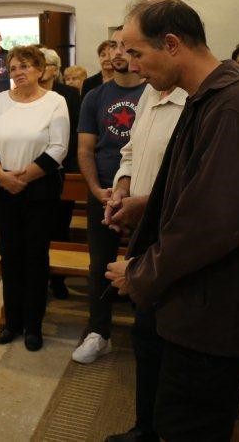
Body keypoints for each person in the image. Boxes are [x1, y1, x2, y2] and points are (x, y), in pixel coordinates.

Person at [106, 0, 239, 440]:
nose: (131, 66)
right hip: (196, 303)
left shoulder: (232, 106)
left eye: (136, 53)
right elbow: (198, 188)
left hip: (215, 311)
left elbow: (215, 225)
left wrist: (139, 273)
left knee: (189, 429)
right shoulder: (209, 98)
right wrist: (147, 205)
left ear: (171, 44)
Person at [103, 80, 187, 442]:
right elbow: (131, 152)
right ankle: (146, 427)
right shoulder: (150, 93)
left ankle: (166, 428)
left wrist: (145, 204)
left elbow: (193, 182)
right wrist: (122, 188)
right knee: (145, 333)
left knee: (171, 337)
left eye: (138, 54)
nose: (132, 64)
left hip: (177, 231)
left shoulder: (196, 101)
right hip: (144, 229)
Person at [0, 45, 69, 352]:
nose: (18, 72)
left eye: (25, 66)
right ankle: (12, 322)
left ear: (40, 70)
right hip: (3, 187)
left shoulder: (55, 102)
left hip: (40, 188)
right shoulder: (0, 101)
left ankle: (33, 325)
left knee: (35, 256)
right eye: (14, 67)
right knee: (10, 255)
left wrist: (23, 178)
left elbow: (58, 148)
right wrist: (1, 175)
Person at [72, 27, 146, 365]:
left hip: (143, 195)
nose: (117, 52)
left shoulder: (153, 93)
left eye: (125, 46)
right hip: (102, 192)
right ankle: (98, 332)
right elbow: (85, 149)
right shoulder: (95, 96)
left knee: (144, 262)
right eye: (113, 45)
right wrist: (95, 189)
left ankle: (146, 332)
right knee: (99, 263)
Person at [39, 48, 82, 300]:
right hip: (33, 167)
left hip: (62, 167)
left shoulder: (69, 94)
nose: (37, 67)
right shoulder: (27, 93)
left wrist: (61, 158)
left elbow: (76, 131)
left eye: (42, 63)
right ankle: (37, 277)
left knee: (59, 226)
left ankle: (57, 279)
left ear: (54, 69)